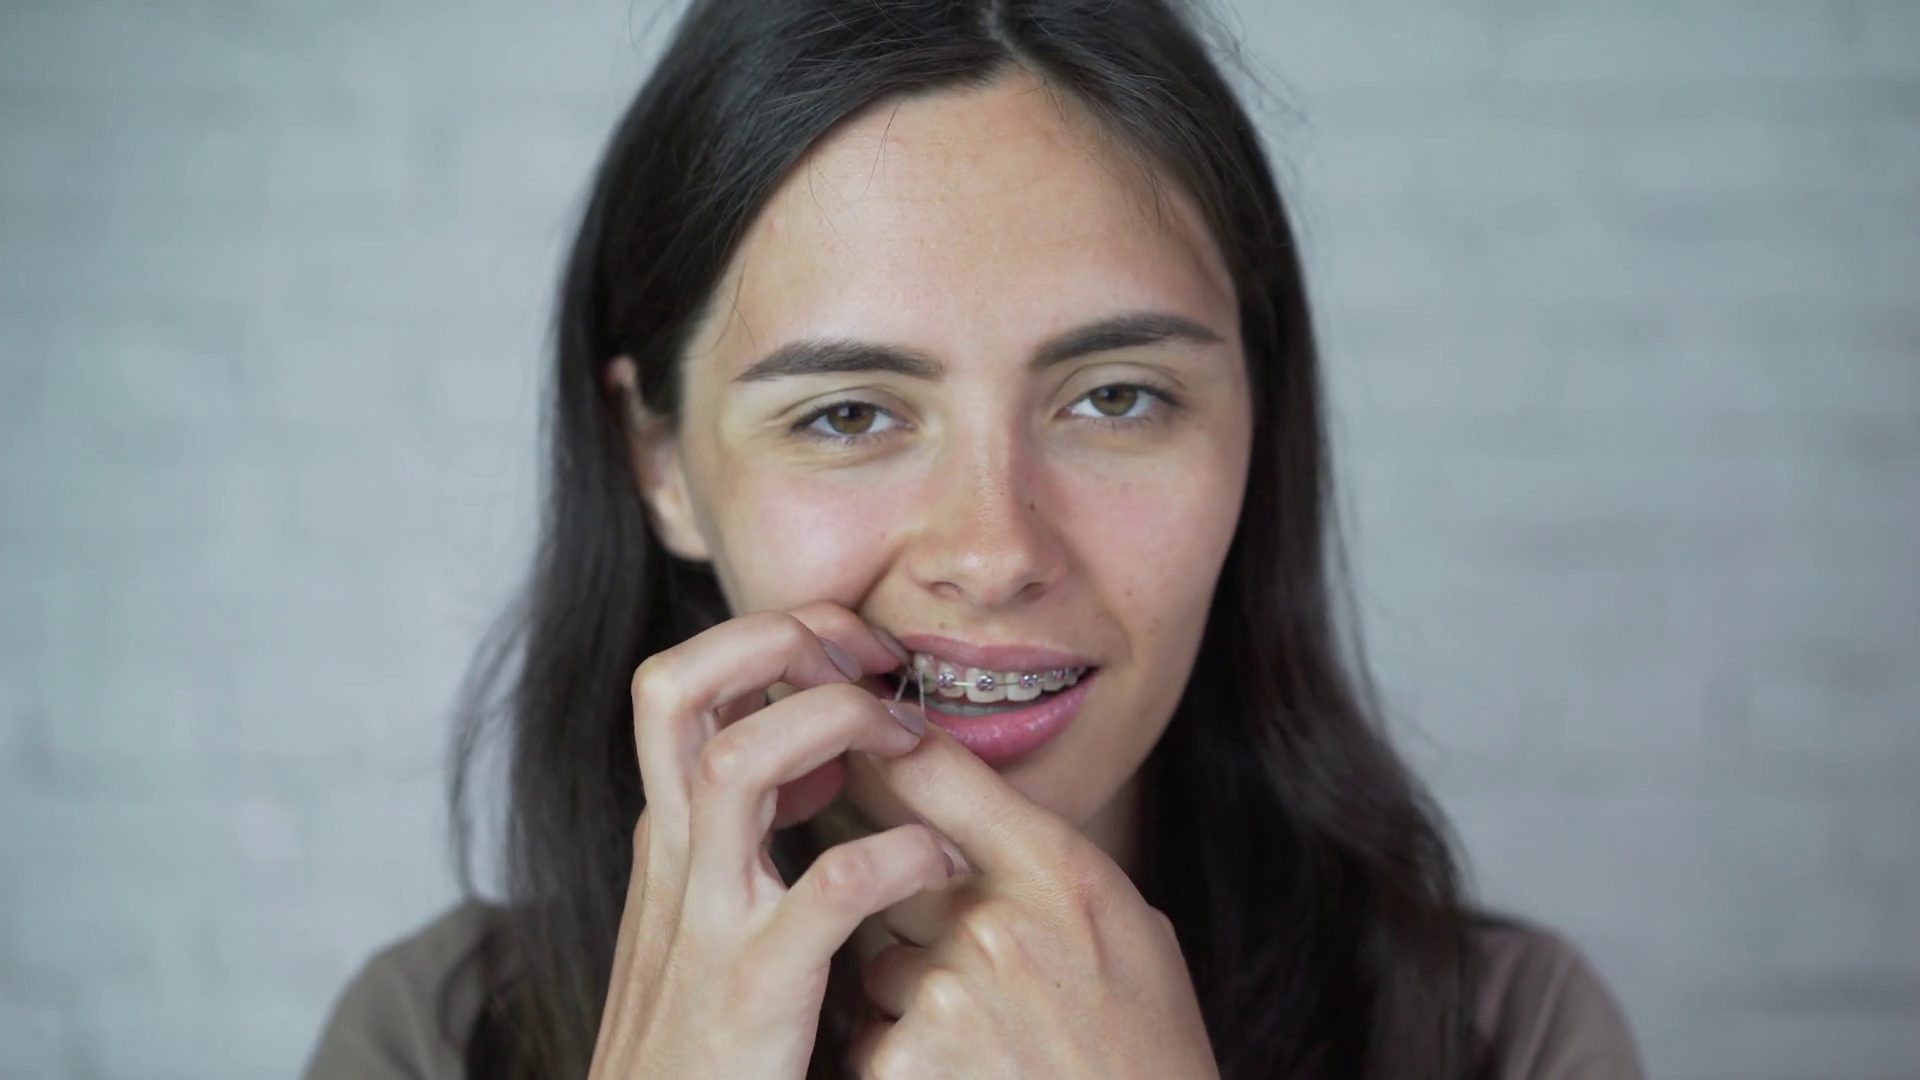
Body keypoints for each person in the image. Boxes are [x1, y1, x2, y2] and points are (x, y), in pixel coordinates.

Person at [305, 0, 1645, 1077]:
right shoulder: (433, 1041)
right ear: (658, 460)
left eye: (1117, 398)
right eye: (846, 415)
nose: (997, 552)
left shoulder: (1504, 1037)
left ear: (1259, 415)